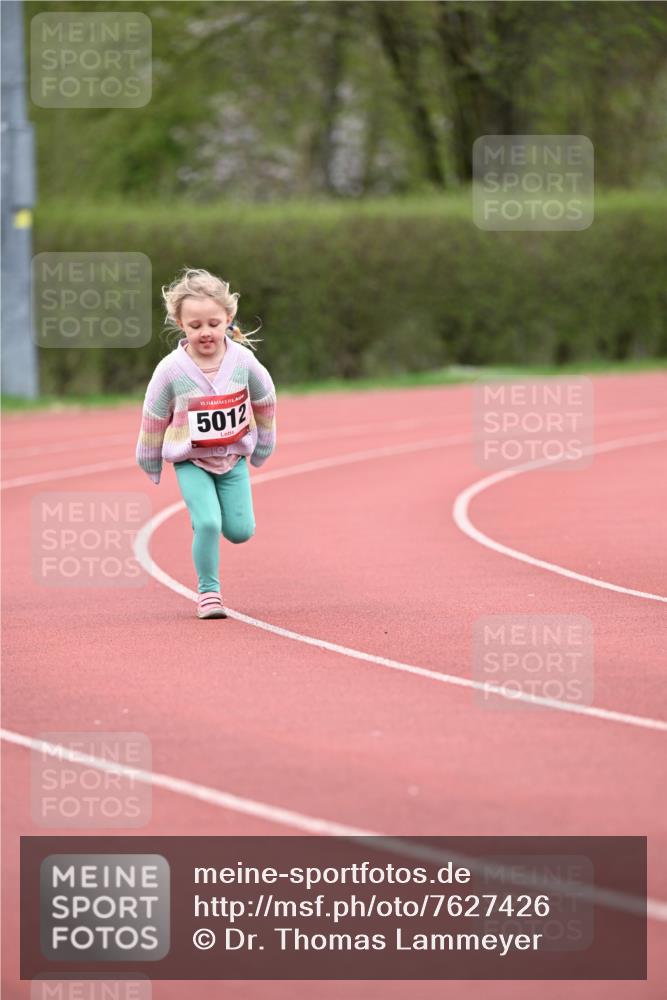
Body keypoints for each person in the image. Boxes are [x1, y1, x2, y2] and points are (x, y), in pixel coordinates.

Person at [136, 268, 277, 618]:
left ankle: (210, 520)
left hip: (233, 461)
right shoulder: (171, 369)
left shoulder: (242, 361)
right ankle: (209, 593)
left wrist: (263, 445)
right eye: (195, 326)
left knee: (241, 531)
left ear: (228, 319)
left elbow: (265, 398)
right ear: (180, 324)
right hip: (191, 461)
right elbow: (154, 414)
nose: (205, 333)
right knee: (210, 523)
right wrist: (150, 460)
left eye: (213, 324)